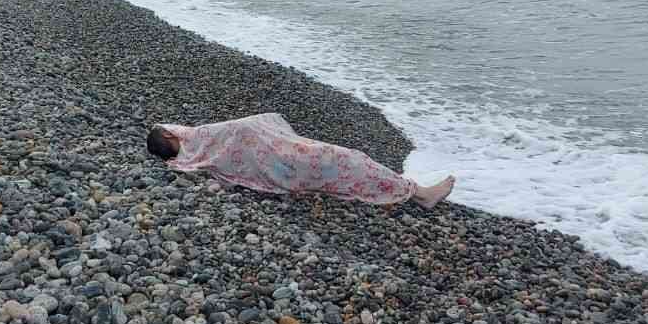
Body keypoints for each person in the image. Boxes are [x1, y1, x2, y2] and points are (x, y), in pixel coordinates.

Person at [147, 113, 456, 208]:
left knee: (339, 164)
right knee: (349, 159)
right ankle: (417, 192)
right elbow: (238, 131)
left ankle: (409, 190)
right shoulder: (195, 139)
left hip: (277, 161)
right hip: (281, 157)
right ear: (172, 137)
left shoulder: (191, 157)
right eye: (171, 131)